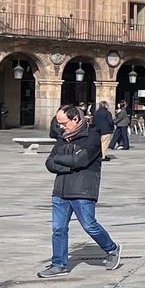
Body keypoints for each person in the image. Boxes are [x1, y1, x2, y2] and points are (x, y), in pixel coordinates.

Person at [39, 104, 122, 278]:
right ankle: (58, 264)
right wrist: (68, 164)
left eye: (64, 123)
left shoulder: (92, 136)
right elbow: (49, 162)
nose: (61, 126)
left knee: (89, 225)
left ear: (75, 119)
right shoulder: (63, 138)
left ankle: (112, 248)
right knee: (58, 229)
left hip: (82, 189)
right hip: (61, 190)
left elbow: (81, 160)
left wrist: (61, 160)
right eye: (59, 123)